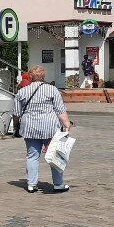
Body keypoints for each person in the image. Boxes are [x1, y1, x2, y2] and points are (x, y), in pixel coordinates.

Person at [12, 65, 72, 193]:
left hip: (30, 128)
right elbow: (60, 109)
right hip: (50, 127)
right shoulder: (52, 90)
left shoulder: (22, 91)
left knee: (32, 156)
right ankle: (58, 184)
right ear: (43, 76)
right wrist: (66, 124)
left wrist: (15, 126)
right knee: (55, 155)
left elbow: (16, 113)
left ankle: (31, 184)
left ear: (30, 77)